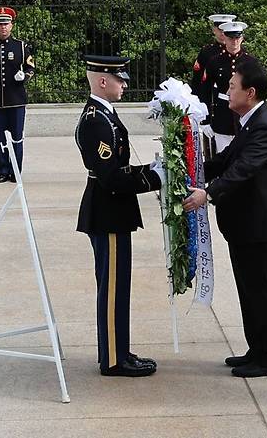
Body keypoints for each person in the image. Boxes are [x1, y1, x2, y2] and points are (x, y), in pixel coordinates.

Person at [183, 60, 267, 377]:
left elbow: (242, 171)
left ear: (250, 92)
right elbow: (225, 161)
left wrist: (208, 193)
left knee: (262, 291)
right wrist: (193, 169)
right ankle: (256, 349)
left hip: (262, 226)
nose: (227, 91)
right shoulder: (250, 122)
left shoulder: (265, 127)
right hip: (247, 226)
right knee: (250, 290)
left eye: (232, 86)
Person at [75, 55, 165, 377]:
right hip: (107, 213)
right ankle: (114, 359)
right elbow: (112, 178)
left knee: (117, 286)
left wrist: (153, 169)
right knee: (113, 289)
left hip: (111, 212)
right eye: (119, 79)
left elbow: (118, 168)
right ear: (102, 81)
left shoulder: (105, 115)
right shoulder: (97, 121)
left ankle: (118, 349)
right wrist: (156, 179)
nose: (124, 84)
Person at [0, 6, 35, 183]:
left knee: (17, 137)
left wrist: (24, 76)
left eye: (6, 23)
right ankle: (2, 170)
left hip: (16, 100)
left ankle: (15, 171)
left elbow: (31, 68)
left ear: (12, 25)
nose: (3, 27)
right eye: (0, 24)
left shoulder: (21, 46)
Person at [199, 21, 257, 153]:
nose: (234, 42)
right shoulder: (215, 62)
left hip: (245, 114)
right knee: (224, 159)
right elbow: (205, 91)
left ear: (242, 38)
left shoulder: (250, 62)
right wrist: (205, 120)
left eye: (237, 38)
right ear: (224, 37)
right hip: (222, 116)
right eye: (231, 38)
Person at [189, 14, 236, 95]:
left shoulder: (239, 52)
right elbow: (197, 78)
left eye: (225, 29)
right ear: (214, 30)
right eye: (220, 29)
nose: (222, 32)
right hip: (211, 98)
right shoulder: (207, 51)